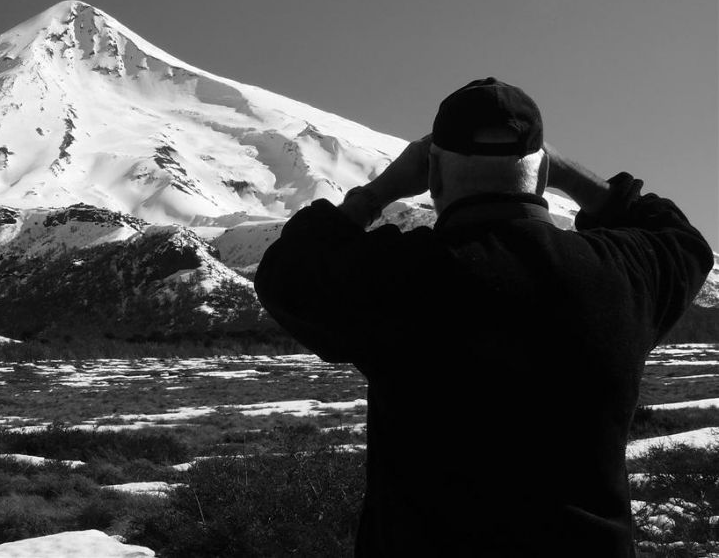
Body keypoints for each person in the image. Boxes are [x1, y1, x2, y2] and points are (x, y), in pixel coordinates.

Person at [253, 77, 713, 557]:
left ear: (431, 176)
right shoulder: (621, 275)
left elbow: (288, 271)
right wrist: (575, 178)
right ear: (541, 174)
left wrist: (378, 193)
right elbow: (681, 238)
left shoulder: (397, 278)